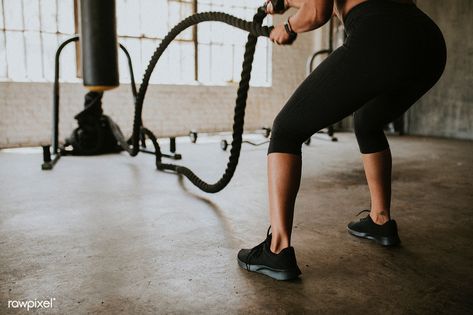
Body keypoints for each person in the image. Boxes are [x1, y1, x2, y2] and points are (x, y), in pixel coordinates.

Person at [237, 0, 446, 281]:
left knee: (286, 130)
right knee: (368, 122)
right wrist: (287, 2)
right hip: (428, 44)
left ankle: (277, 250)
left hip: (380, 32)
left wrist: (288, 26)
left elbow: (317, 12)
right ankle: (380, 220)